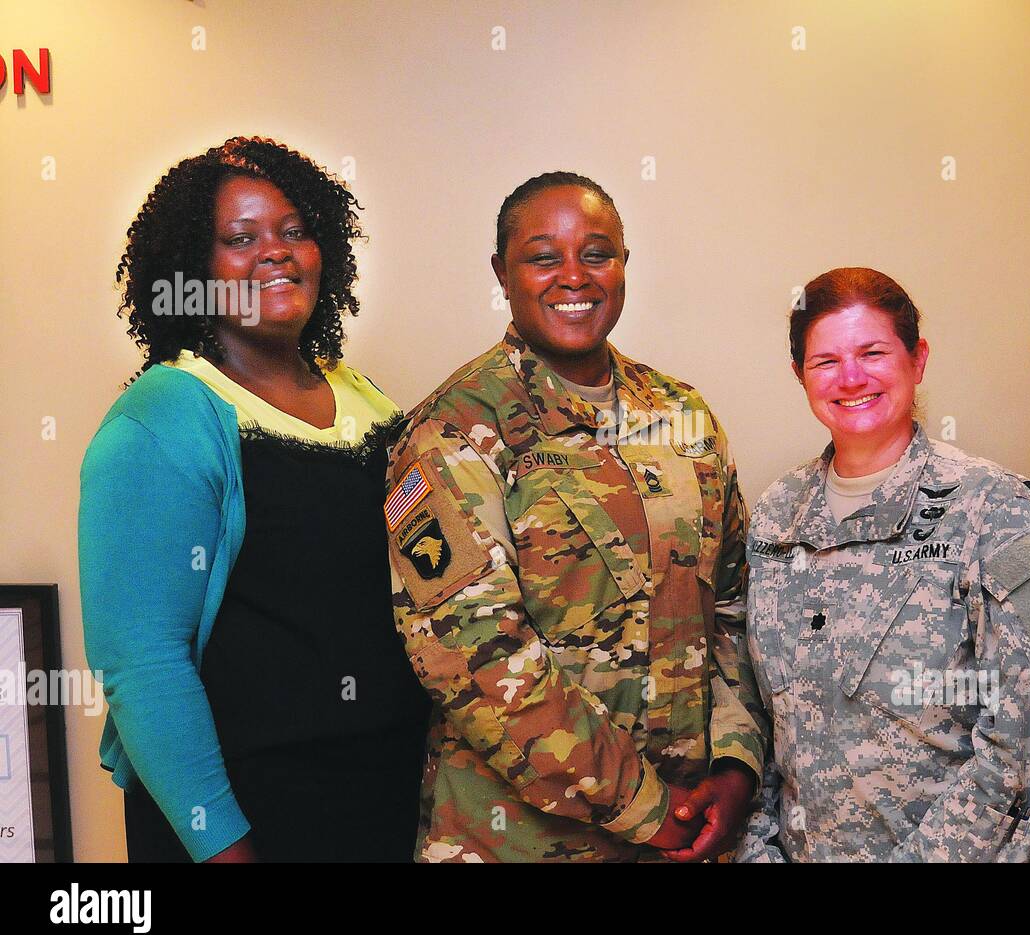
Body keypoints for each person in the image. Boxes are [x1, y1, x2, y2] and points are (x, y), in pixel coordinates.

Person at [386, 171, 765, 862]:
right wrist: (646, 808)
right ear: (502, 271)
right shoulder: (456, 427)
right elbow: (473, 659)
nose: (574, 276)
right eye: (542, 256)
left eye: (596, 253)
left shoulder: (683, 414)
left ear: (623, 265)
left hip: (688, 831)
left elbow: (734, 610)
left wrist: (737, 763)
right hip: (522, 842)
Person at [79, 136, 431, 862]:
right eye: (240, 239)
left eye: (294, 230)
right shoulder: (164, 416)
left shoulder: (361, 396)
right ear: (192, 270)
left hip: (381, 795)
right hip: (245, 817)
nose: (275, 252)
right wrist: (223, 844)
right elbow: (141, 662)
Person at [736, 267, 1030, 862]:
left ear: (917, 359)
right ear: (800, 375)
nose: (851, 378)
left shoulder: (1001, 508)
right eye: (825, 361)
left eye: (873, 352)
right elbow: (764, 714)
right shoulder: (778, 515)